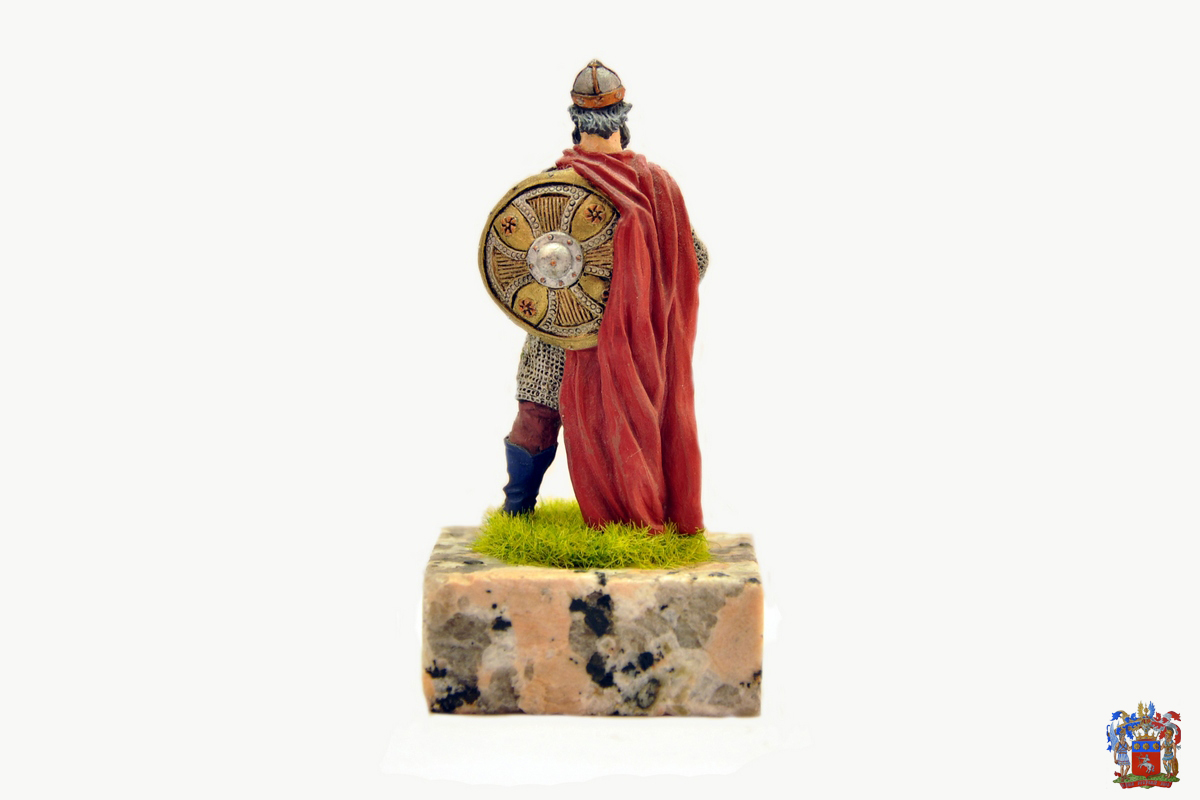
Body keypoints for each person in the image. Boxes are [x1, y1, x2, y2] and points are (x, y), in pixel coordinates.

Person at [501, 60, 707, 534]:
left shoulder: (556, 183)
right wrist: (643, 307)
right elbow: (695, 259)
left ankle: (517, 510)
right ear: (624, 119)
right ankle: (521, 515)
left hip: (563, 328)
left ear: (576, 122)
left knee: (536, 412)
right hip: (618, 343)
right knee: (560, 412)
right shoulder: (658, 187)